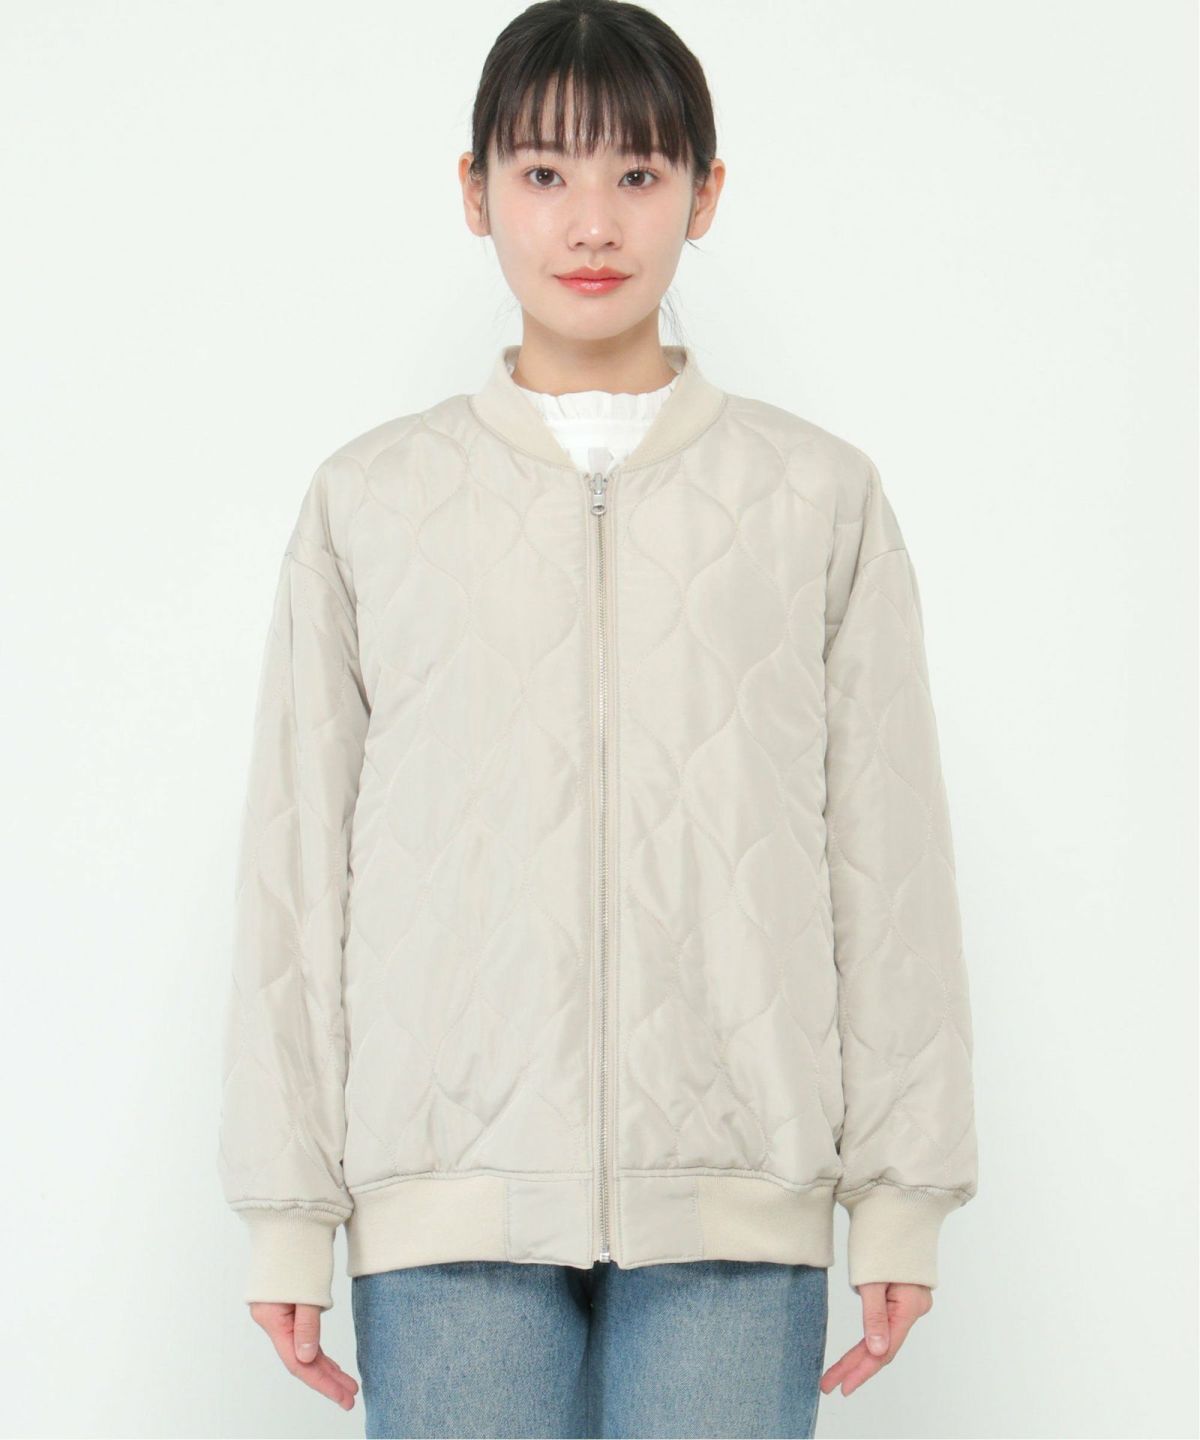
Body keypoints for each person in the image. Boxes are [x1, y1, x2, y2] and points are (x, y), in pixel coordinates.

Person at [216, 2, 979, 1435]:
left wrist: (901, 1196)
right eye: (543, 172)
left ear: (705, 192)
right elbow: (296, 870)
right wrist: (285, 1212)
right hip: (444, 1198)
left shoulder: (816, 497)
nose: (591, 222)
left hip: (737, 1192)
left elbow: (890, 866)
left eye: (638, 173)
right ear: (475, 191)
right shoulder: (371, 502)